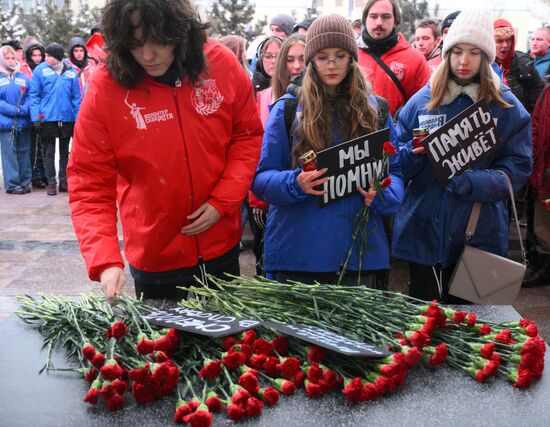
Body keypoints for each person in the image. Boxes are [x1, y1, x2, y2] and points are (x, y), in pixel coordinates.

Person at [67, 0, 263, 303]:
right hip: (155, 258)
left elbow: (246, 135)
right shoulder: (105, 87)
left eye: (158, 41)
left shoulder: (219, 63)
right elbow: (89, 180)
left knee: (229, 348)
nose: (147, 55)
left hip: (220, 247)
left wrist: (223, 199)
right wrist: (105, 259)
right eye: (135, 44)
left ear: (179, 29)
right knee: (165, 348)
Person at [392, 9, 532, 302]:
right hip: (423, 233)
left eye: (473, 52)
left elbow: (517, 169)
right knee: (424, 329)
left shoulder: (506, 107)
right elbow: (395, 160)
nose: (464, 60)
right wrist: (414, 156)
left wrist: (469, 182)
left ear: (485, 57)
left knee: (472, 331)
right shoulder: (422, 102)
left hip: (478, 236)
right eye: (456, 51)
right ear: (446, 52)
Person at [252, 14, 403, 286]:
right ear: (311, 60)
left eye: (340, 55)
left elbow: (396, 173)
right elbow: (261, 180)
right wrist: (294, 182)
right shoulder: (287, 110)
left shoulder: (376, 111)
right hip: (298, 257)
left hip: (359, 257)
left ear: (352, 59)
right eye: (322, 57)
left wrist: (382, 194)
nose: (331, 64)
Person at [250, 34, 306, 276]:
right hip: (265, 196)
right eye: (289, 59)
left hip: (300, 198)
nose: (296, 66)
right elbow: (254, 151)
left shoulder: (309, 102)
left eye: (302, 59)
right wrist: (257, 201)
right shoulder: (263, 98)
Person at [357, 0, 430, 117]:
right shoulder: (350, 55)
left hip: (397, 133)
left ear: (395, 20)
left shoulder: (415, 60)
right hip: (355, 133)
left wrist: (408, 133)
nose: (379, 23)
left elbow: (425, 111)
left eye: (386, 17)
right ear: (365, 19)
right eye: (373, 16)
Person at [29, 43, 81, 196]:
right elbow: (34, 96)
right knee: (49, 152)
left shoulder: (71, 71)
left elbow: (75, 97)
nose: (45, 58)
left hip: (66, 117)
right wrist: (36, 117)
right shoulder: (40, 70)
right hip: (47, 117)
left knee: (65, 152)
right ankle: (52, 182)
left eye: (49, 56)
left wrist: (77, 118)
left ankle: (64, 180)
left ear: (57, 57)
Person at [524, 75, 550, 287]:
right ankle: (544, 268)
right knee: (542, 224)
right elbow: (536, 125)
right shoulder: (546, 90)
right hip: (545, 168)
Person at [0, 45, 32, 195]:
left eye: (13, 58)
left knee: (24, 152)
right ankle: (12, 184)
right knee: (10, 154)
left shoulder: (22, 77)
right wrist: (14, 110)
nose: (11, 61)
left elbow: (31, 95)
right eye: (8, 58)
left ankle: (25, 182)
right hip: (6, 122)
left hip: (23, 121)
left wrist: (24, 109)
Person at [493, 19, 542, 114]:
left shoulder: (525, 64)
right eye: (499, 41)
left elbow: (536, 105)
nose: (505, 45)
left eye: (509, 40)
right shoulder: (482, 65)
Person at [20, 41, 48, 190]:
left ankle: (44, 173)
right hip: (28, 111)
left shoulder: (45, 68)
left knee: (43, 145)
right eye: (34, 55)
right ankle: (34, 175)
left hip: (43, 111)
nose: (37, 58)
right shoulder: (23, 68)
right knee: (32, 146)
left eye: (39, 55)